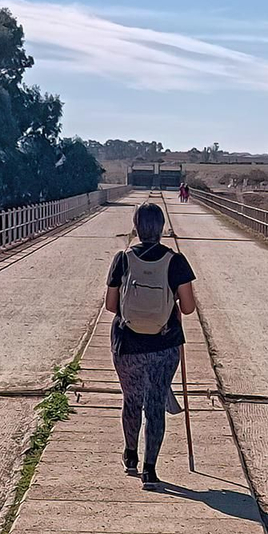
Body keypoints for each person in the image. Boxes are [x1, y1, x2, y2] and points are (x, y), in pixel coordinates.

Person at [105, 202, 195, 489]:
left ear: (136, 227)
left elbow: (110, 306)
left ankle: (130, 455)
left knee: (132, 400)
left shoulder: (122, 259)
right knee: (155, 403)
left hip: (127, 344)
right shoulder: (175, 261)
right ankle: (150, 470)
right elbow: (189, 307)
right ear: (162, 228)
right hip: (164, 345)